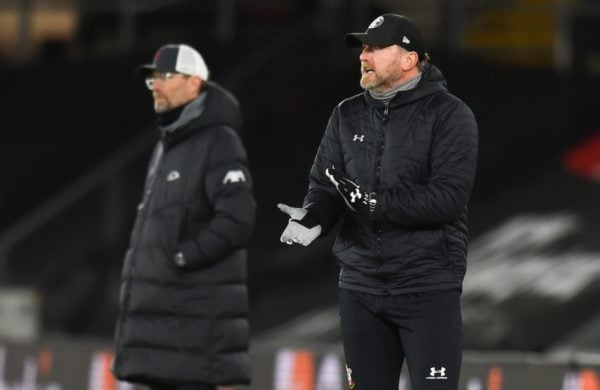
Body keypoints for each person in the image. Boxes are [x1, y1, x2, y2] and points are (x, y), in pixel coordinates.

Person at [278, 14, 478, 390]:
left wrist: (374, 203)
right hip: (360, 290)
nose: (363, 56)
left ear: (409, 59)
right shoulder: (346, 114)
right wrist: (313, 219)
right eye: (362, 48)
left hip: (427, 289)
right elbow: (327, 187)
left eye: (374, 47)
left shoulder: (450, 115)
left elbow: (448, 199)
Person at [112, 43, 256, 390]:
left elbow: (237, 218)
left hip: (190, 329)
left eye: (165, 76)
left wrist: (182, 256)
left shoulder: (218, 140)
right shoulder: (167, 146)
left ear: (194, 84)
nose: (156, 85)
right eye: (152, 79)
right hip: (165, 332)